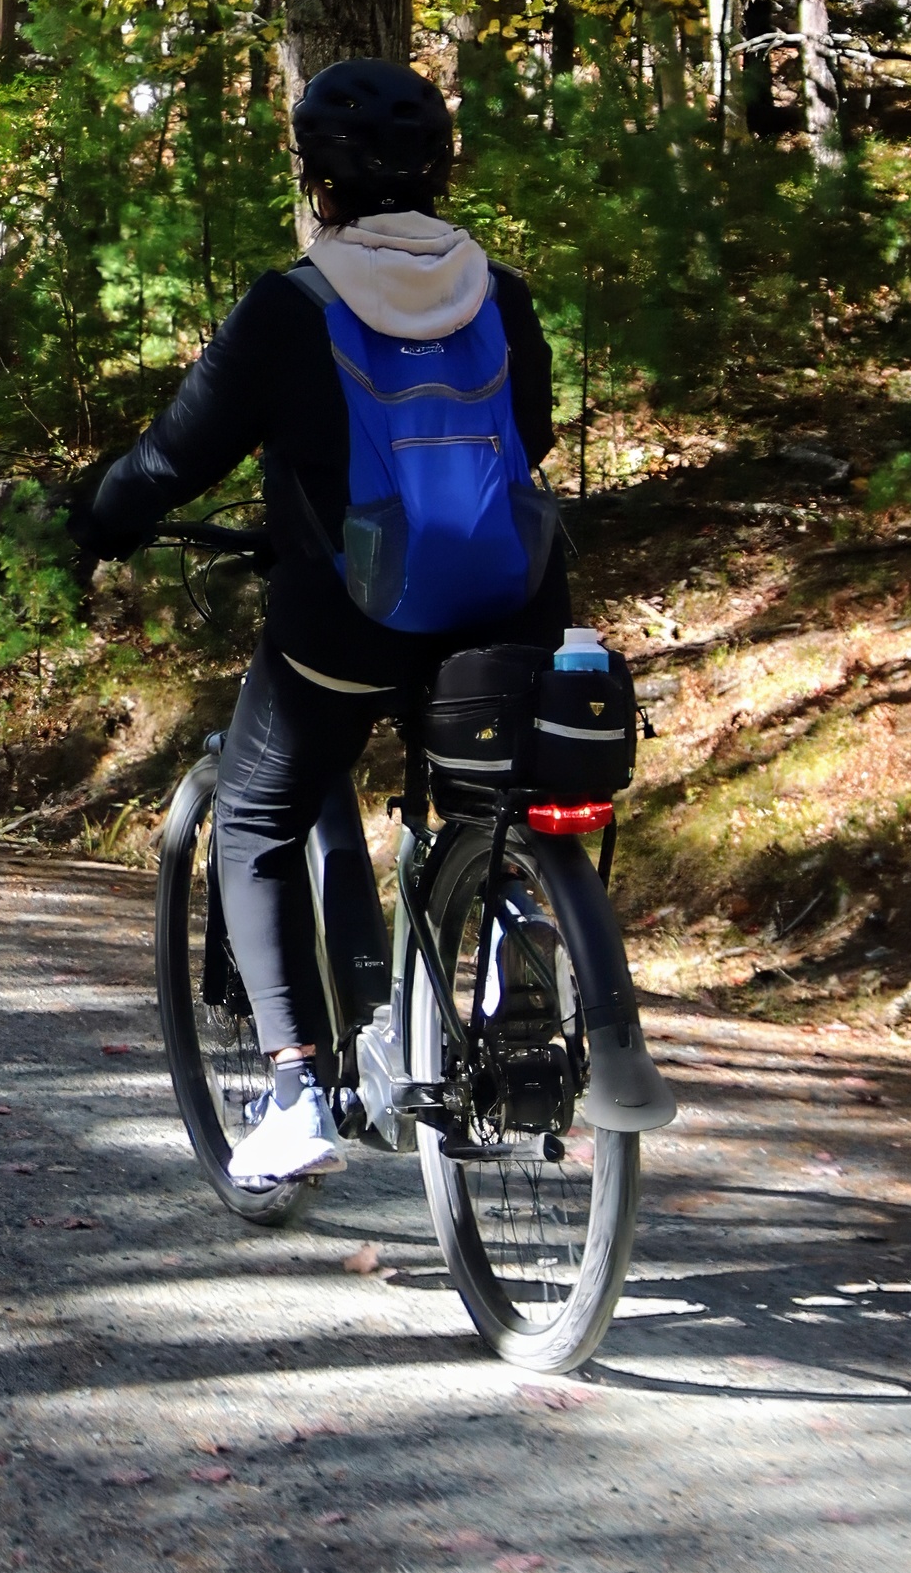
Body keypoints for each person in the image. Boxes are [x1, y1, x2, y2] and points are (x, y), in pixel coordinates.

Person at [67, 57, 592, 1191]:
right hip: (509, 611)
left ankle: (298, 1090)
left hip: (346, 628)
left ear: (316, 177)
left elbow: (171, 459)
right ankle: (514, 956)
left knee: (255, 812)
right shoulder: (501, 294)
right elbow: (528, 437)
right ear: (442, 171)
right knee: (491, 805)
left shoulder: (290, 305)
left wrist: (96, 523)